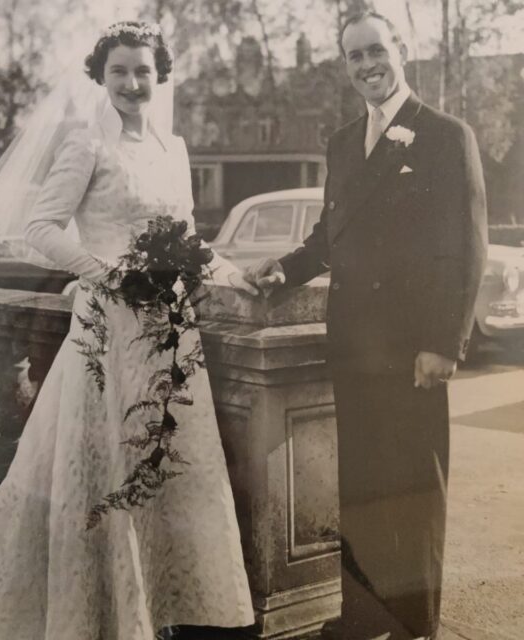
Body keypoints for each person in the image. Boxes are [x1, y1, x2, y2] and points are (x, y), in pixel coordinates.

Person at [0, 21, 256, 640]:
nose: (133, 83)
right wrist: (105, 271)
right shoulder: (87, 144)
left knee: (164, 461)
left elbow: (189, 238)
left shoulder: (175, 147)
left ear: (160, 74)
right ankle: (102, 616)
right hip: (108, 327)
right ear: (100, 77)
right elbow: (42, 227)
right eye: (119, 72)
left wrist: (240, 274)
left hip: (169, 333)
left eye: (143, 70)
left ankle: (156, 610)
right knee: (107, 464)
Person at [243, 11, 487, 640]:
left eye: (377, 50)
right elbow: (331, 235)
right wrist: (287, 270)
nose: (368, 65)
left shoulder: (445, 134)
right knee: (363, 485)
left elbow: (465, 247)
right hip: (353, 342)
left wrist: (443, 343)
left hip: (413, 351)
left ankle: (415, 624)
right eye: (355, 57)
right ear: (345, 66)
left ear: (401, 50)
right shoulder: (342, 140)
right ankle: (362, 615)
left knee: (414, 486)